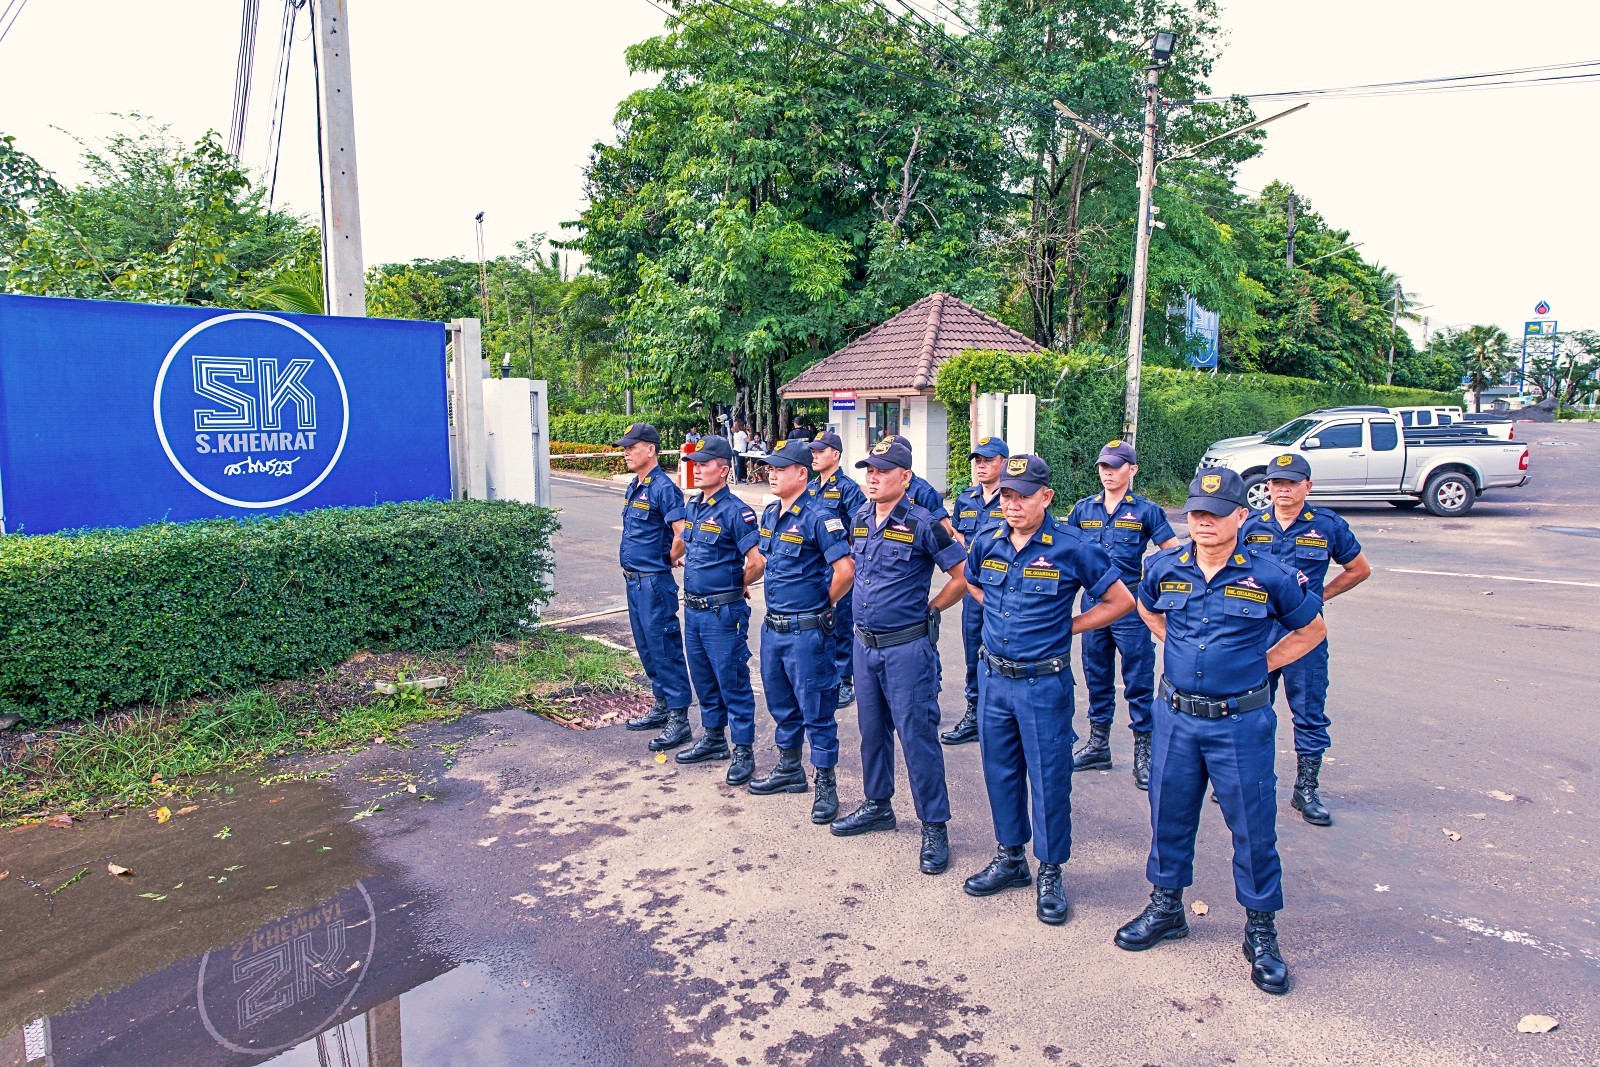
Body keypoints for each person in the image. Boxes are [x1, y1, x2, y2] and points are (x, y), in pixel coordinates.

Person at [1115, 467, 1326, 996]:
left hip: (1240, 722)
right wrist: (1175, 646)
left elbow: (1312, 630)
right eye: (1196, 513)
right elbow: (1146, 607)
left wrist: (1262, 665)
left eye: (1215, 513)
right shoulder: (1164, 566)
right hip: (1177, 718)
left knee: (1253, 826)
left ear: (1241, 516)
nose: (1203, 522)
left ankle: (1261, 931)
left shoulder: (1271, 575)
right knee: (1168, 813)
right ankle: (1167, 908)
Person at [963, 455, 1134, 925]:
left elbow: (1120, 600)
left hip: (1043, 684)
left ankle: (1051, 871)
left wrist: (1071, 626)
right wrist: (997, 613)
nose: (1013, 505)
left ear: (1046, 497)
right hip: (994, 680)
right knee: (1000, 772)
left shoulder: (1072, 547)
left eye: (1023, 496)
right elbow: (972, 583)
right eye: (1007, 496)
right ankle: (1010, 858)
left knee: (1049, 779)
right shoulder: (987, 541)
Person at [829, 438, 969, 875]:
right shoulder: (858, 518)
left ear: (905, 477)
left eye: (883, 471)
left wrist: (933, 609)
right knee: (872, 732)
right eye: (869, 470)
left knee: (917, 736)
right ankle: (878, 805)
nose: (873, 478)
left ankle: (934, 825)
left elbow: (962, 576)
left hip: (907, 648)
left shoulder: (924, 523)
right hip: (865, 646)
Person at [1241, 453, 1371, 826]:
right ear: (1268, 487)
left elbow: (1358, 569)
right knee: (1251, 709)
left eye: (1292, 483)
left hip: (1304, 632)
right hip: (1258, 631)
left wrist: (1318, 598)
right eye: (1277, 483)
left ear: (1307, 487)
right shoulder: (1250, 524)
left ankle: (1306, 789)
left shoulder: (1327, 525)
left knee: (1308, 710)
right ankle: (1249, 780)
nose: (1283, 489)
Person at [747, 439, 855, 824]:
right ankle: (790, 769)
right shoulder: (771, 513)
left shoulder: (819, 516)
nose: (772, 474)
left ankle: (826, 783)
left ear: (801, 474)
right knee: (781, 704)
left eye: (780, 469)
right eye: (770, 469)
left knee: (817, 710)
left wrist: (822, 605)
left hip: (807, 631)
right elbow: (763, 561)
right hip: (773, 628)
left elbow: (845, 571)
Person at [1067, 440, 1179, 787]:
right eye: (1103, 466)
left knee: (1138, 678)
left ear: (1132, 470)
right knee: (1096, 674)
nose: (1108, 473)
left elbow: (1173, 555)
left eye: (1115, 467)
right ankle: (1098, 745)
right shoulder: (1083, 509)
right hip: (1094, 601)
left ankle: (1144, 753)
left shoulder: (1146, 511)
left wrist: (1152, 588)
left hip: (1130, 603)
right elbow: (1068, 555)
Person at [673, 435, 765, 785]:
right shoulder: (693, 506)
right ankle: (713, 739)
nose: (696, 469)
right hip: (694, 611)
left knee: (732, 681)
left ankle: (743, 749)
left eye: (705, 464)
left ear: (724, 470)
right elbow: (687, 547)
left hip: (722, 614)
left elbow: (756, 562)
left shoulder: (736, 511)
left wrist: (736, 584)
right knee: (704, 678)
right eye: (694, 464)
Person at [614, 422, 696, 749]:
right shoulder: (635, 486)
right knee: (647, 648)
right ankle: (661, 705)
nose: (626, 453)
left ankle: (679, 719)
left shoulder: (663, 487)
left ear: (650, 449)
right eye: (625, 448)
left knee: (664, 648)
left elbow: (682, 534)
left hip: (653, 583)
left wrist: (669, 558)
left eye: (631, 447)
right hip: (634, 582)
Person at [942, 435, 1010, 746]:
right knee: (973, 652)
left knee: (1005, 652)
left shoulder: (1012, 497)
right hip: (973, 588)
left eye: (988, 460)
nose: (981, 466)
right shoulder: (966, 499)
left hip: (1005, 589)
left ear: (1004, 463)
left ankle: (1001, 718)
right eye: (978, 461)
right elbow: (956, 531)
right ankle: (974, 712)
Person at [807, 431, 868, 709]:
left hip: (837, 567)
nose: (815, 456)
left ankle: (845, 680)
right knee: (817, 622)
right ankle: (824, 674)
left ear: (836, 455)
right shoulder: (810, 487)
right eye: (813, 451)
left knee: (840, 624)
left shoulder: (847, 488)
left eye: (820, 451)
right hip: (813, 567)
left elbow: (861, 527)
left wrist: (852, 560)